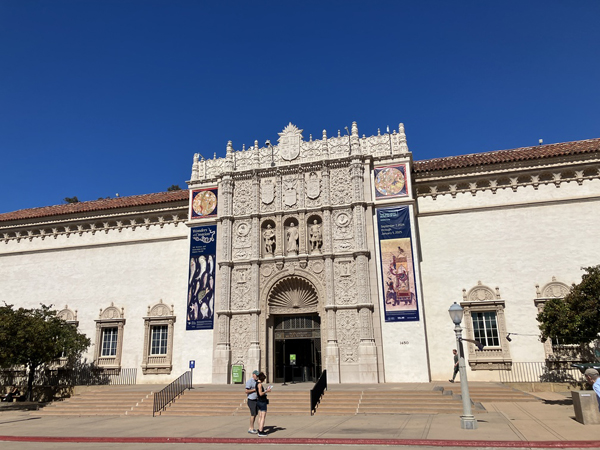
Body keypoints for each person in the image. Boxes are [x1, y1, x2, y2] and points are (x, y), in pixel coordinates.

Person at [255, 372, 272, 437]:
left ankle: (260, 429)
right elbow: (260, 393)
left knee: (260, 416)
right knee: (263, 417)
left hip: (259, 401)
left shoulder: (256, 383)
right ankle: (261, 431)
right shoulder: (259, 384)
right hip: (262, 401)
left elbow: (257, 393)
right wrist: (266, 391)